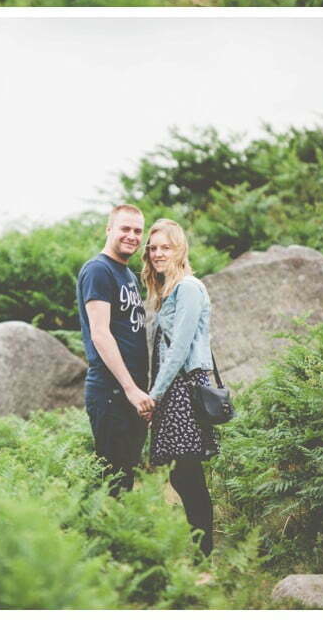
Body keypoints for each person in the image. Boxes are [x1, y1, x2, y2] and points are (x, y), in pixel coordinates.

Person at [142, 218, 218, 557]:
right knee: (180, 475)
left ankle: (204, 557)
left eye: (165, 247)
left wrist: (153, 395)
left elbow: (179, 349)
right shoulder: (167, 290)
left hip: (184, 388)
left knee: (188, 474)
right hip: (173, 389)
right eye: (153, 248)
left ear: (179, 248)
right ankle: (200, 552)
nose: (158, 254)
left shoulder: (188, 287)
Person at [76, 204, 153, 495]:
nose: (132, 236)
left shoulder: (129, 276)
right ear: (109, 229)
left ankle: (118, 540)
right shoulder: (98, 270)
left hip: (131, 393)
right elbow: (100, 334)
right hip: (111, 391)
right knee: (110, 482)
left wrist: (140, 391)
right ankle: (98, 538)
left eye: (137, 231)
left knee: (125, 478)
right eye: (125, 228)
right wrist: (130, 388)